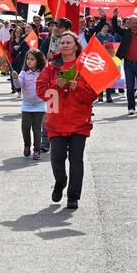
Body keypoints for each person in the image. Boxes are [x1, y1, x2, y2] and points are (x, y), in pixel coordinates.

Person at [36, 32, 98, 210]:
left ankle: (73, 196)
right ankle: (60, 182)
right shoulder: (50, 67)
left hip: (79, 120)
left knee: (76, 159)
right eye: (62, 42)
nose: (64, 45)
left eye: (68, 42)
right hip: (56, 121)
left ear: (76, 45)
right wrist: (56, 85)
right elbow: (41, 91)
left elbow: (93, 94)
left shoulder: (85, 67)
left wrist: (77, 87)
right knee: (57, 158)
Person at [112, 12, 137, 115]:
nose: (134, 24)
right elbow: (115, 27)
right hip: (128, 64)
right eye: (132, 22)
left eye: (136, 22)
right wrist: (115, 16)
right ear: (128, 23)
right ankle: (131, 108)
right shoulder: (125, 33)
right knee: (130, 86)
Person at [15, 48, 47, 160]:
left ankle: (37, 149)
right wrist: (15, 78)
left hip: (40, 105)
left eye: (32, 59)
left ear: (38, 61)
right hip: (27, 105)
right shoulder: (23, 73)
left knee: (37, 129)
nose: (29, 61)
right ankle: (27, 145)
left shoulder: (43, 73)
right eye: (27, 59)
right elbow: (19, 85)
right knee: (25, 128)